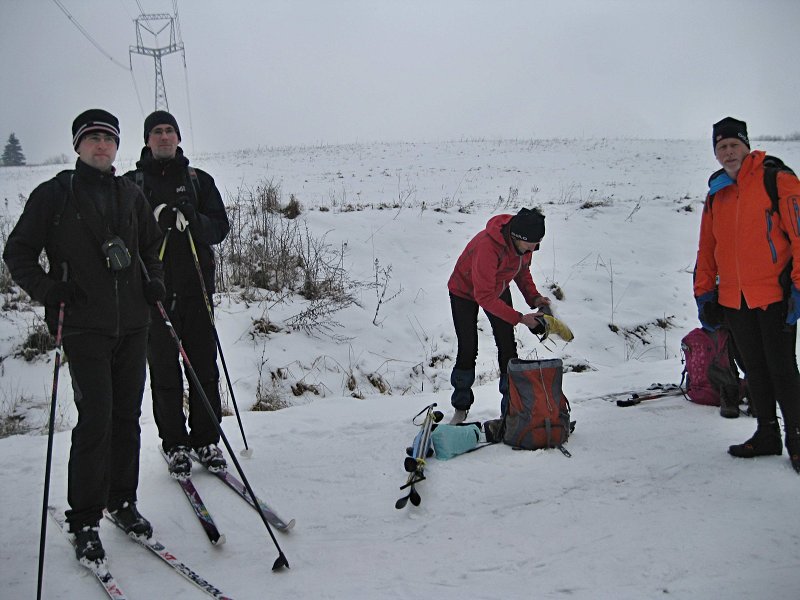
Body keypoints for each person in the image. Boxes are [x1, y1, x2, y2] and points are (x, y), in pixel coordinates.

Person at [3, 109, 165, 567]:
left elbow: (151, 247)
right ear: (78, 146)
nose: (100, 146)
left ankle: (123, 502)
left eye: (108, 139)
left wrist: (153, 281)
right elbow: (17, 252)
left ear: (117, 147)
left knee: (128, 417)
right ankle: (85, 519)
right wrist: (50, 290)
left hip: (134, 324)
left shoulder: (129, 194)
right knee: (96, 419)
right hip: (83, 326)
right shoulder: (54, 194)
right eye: (92, 138)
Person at [125, 111, 230, 480]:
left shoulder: (199, 180)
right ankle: (175, 444)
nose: (164, 136)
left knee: (203, 366)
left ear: (179, 138)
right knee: (165, 373)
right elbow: (124, 238)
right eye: (157, 131)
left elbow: (219, 229)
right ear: (147, 140)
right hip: (153, 295)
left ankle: (206, 439)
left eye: (170, 130)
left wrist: (194, 219)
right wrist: (155, 221)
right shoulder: (131, 184)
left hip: (197, 291)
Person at [694, 116, 800, 473]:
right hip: (733, 298)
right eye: (721, 147)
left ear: (746, 145)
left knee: (783, 368)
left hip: (774, 294)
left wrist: (798, 286)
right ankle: (766, 434)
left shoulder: (777, 180)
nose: (728, 152)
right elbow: (707, 248)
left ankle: (797, 440)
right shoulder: (717, 192)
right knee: (754, 368)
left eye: (733, 145)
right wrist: (704, 292)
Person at [447, 207, 554, 424]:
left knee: (508, 346)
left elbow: (522, 272)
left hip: (496, 286)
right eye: (532, 244)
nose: (535, 248)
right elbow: (484, 296)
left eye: (538, 243)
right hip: (464, 292)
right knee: (468, 348)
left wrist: (534, 299)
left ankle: (511, 408)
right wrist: (521, 318)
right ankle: (460, 407)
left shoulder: (525, 245)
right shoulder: (488, 247)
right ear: (517, 237)